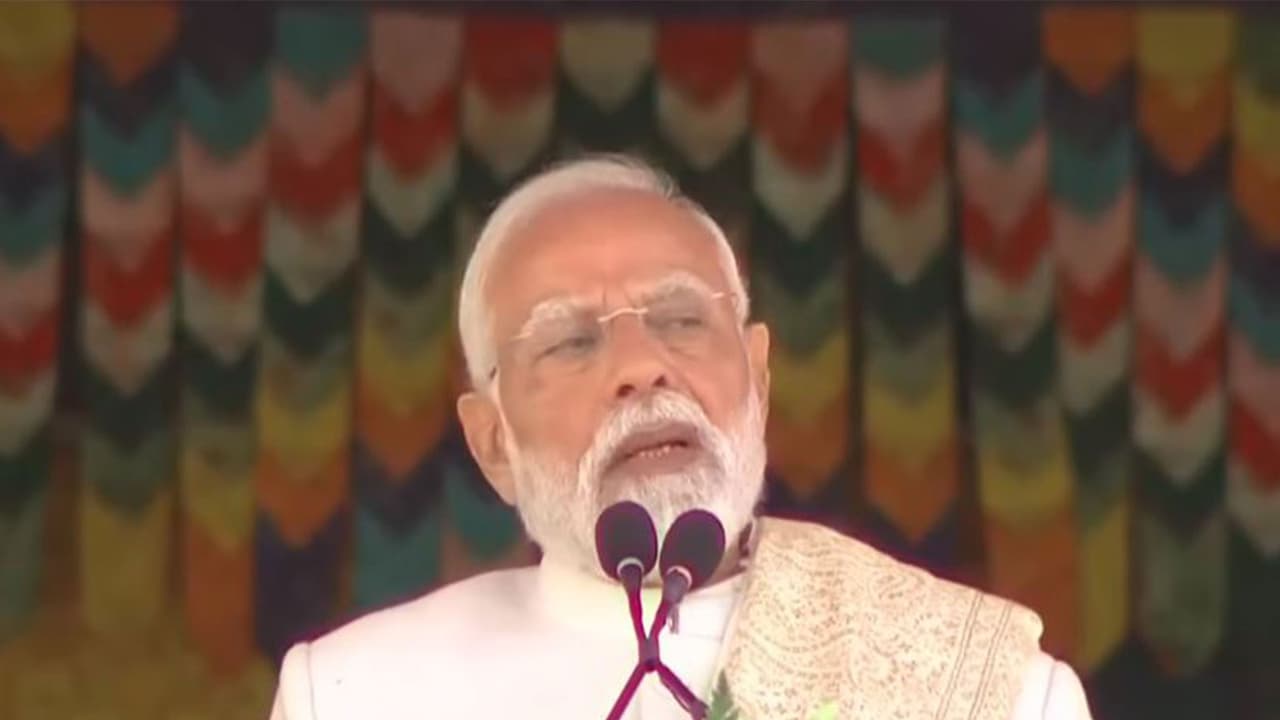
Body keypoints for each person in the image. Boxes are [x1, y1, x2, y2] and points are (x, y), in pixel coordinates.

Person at [268, 155, 1092, 719]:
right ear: (492, 446)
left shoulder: (991, 687)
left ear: (760, 381)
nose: (641, 366)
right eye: (570, 342)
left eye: (681, 319)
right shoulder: (359, 694)